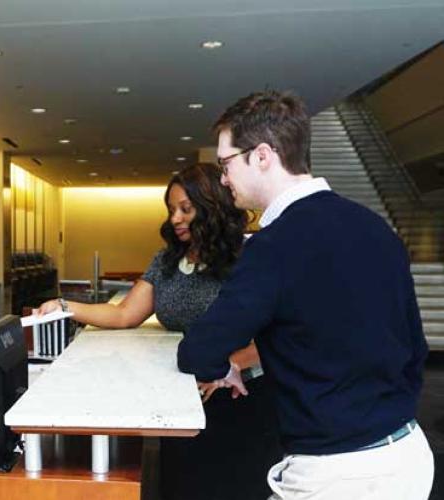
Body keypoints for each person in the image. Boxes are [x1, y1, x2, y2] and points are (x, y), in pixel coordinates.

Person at [177, 90, 434, 499]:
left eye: (225, 163)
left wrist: (222, 366)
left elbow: (199, 350)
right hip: (407, 455)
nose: (223, 177)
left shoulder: (273, 245)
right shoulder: (375, 227)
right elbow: (414, 348)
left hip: (337, 474)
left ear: (262, 156)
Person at [39, 163, 282, 500]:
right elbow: (124, 314)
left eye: (186, 209)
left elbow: (278, 330)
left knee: (231, 488)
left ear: (212, 207)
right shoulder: (167, 260)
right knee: (180, 485)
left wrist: (229, 364)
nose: (175, 219)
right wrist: (66, 307)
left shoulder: (249, 256)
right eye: (171, 210)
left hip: (241, 394)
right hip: (183, 392)